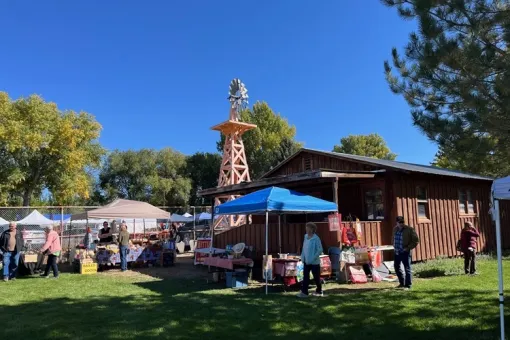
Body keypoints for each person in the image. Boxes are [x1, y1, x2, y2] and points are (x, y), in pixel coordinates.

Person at [297, 222, 324, 298]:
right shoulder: (305, 237)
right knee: (305, 277)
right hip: (306, 261)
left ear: (312, 229)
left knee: (316, 278)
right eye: (306, 227)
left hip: (314, 262)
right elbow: (304, 248)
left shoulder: (316, 238)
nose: (306, 229)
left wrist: (313, 258)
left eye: (308, 227)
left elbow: (320, 249)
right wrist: (302, 257)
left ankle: (319, 291)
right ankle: (304, 292)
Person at [392, 216, 420, 290]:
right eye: (399, 222)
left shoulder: (410, 229)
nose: (401, 224)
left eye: (402, 222)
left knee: (407, 268)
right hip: (397, 252)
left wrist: (407, 248)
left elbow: (415, 241)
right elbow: (393, 238)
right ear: (397, 222)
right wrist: (393, 245)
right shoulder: (395, 229)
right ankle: (402, 283)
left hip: (405, 252)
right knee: (396, 268)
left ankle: (408, 285)